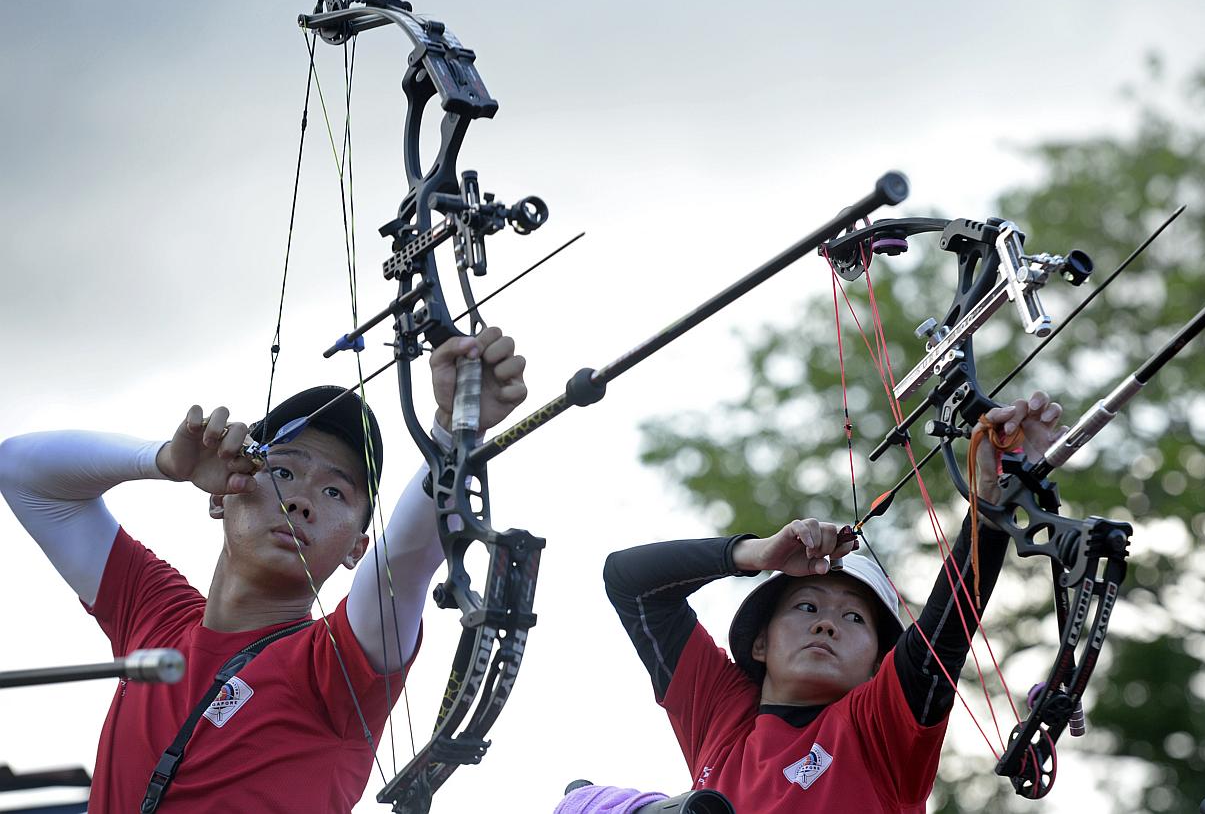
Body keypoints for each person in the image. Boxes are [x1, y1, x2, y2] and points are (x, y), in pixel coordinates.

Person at [0, 328, 526, 813]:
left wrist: (458, 427)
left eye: (334, 491)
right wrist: (165, 461)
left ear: (356, 548)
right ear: (219, 500)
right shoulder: (154, 617)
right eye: (281, 470)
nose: (300, 500)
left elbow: (406, 559)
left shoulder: (335, 666)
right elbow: (20, 472)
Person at [603, 392, 1064, 813]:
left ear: (876, 665)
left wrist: (991, 499)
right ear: (759, 642)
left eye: (853, 617)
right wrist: (757, 554)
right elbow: (630, 581)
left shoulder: (875, 727)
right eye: (806, 607)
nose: (827, 625)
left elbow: (938, 642)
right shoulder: (722, 715)